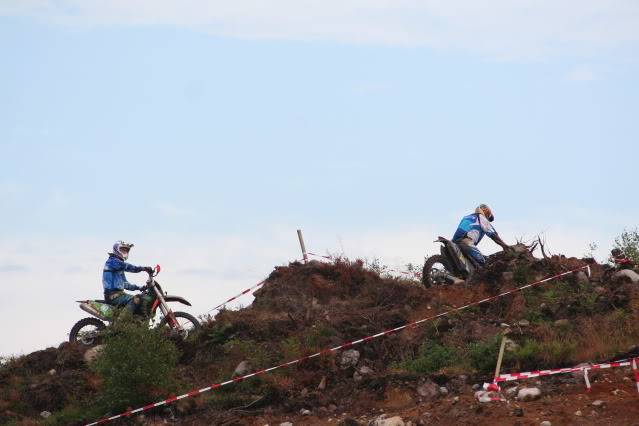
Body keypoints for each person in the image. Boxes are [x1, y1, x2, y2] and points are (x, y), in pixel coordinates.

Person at [102, 241, 154, 315]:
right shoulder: (112, 262)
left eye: (126, 250)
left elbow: (125, 284)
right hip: (113, 295)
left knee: (140, 299)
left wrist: (140, 287)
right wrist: (143, 268)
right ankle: (122, 322)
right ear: (116, 250)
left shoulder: (118, 267)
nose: (124, 252)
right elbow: (128, 267)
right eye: (122, 250)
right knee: (136, 299)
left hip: (119, 294)